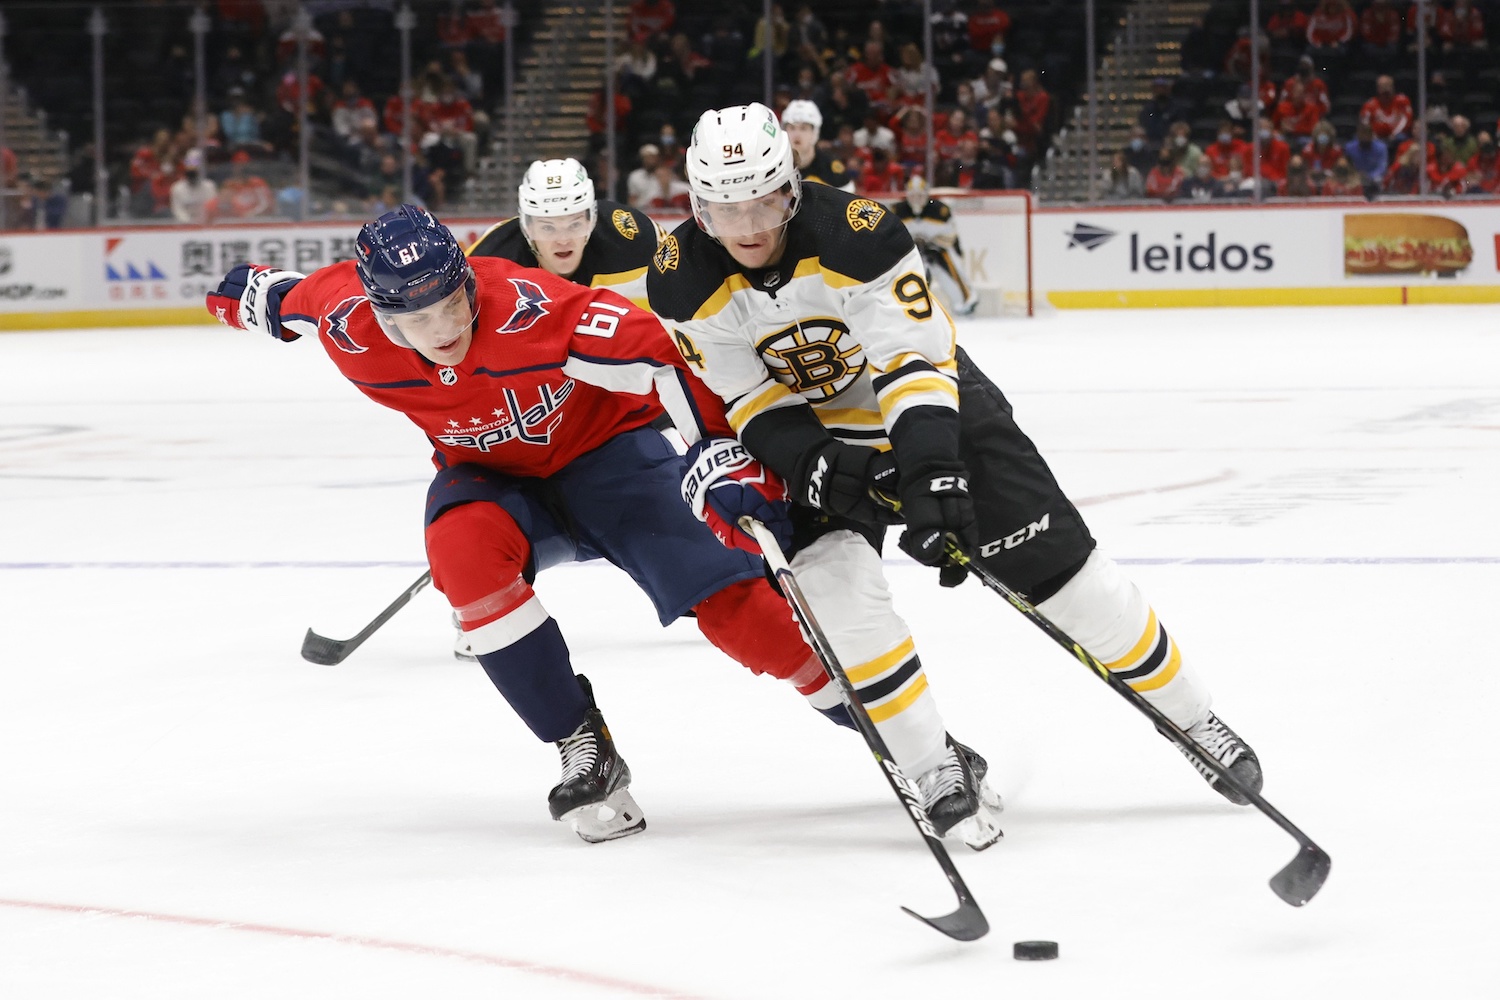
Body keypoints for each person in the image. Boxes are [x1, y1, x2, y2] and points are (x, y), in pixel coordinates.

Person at [205, 205, 981, 845]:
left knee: (740, 610)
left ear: (468, 281)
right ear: (376, 311)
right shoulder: (344, 319)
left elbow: (668, 357)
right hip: (494, 480)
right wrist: (241, 295)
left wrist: (717, 452)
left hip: (614, 459)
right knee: (462, 559)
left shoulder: (536, 311)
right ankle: (582, 743)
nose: (442, 329)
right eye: (415, 316)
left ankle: (914, 742)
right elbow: (280, 298)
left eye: (451, 303)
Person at [647, 104, 1265, 821]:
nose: (749, 227)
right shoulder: (679, 276)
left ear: (791, 186)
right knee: (837, 603)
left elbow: (912, 362)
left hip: (933, 406)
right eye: (726, 212)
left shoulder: (857, 234)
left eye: (764, 202)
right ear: (697, 208)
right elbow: (748, 395)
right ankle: (931, 765)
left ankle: (1192, 719)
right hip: (812, 426)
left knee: (1068, 579)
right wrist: (820, 467)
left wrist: (929, 472)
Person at [468, 158, 658, 309]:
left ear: (591, 220)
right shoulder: (488, 263)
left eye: (574, 225)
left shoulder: (634, 238)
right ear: (527, 228)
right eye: (548, 228)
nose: (563, 240)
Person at [894, 175, 977, 316]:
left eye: (920, 196)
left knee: (949, 266)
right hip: (911, 252)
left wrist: (931, 243)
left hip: (936, 250)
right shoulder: (897, 211)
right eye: (913, 196)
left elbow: (950, 237)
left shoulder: (940, 210)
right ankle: (905, 308)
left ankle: (965, 301)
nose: (916, 200)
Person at [781, 100, 855, 192]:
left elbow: (847, 202)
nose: (797, 134)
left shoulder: (831, 168)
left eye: (803, 128)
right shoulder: (775, 164)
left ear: (814, 133)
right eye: (792, 128)